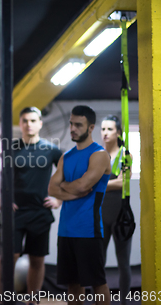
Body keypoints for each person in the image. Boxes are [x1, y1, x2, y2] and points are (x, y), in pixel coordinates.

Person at [0, 107, 62, 303]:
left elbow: (69, 176)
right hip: (14, 214)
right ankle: (1, 300)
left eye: (33, 120)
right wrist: (0, 201)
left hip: (40, 213)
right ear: (20, 124)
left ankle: (33, 300)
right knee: (8, 259)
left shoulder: (52, 150)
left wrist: (59, 200)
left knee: (37, 260)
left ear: (40, 123)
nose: (29, 124)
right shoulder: (9, 149)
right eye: (25, 121)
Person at [48, 105, 111, 305]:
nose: (73, 129)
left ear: (91, 127)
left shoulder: (99, 155)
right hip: (66, 230)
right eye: (71, 124)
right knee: (72, 283)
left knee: (97, 282)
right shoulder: (66, 157)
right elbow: (51, 189)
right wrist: (72, 190)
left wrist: (64, 187)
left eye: (78, 125)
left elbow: (84, 184)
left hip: (88, 230)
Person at [101, 115, 132, 305]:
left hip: (121, 215)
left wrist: (98, 183)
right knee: (99, 263)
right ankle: (102, 301)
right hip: (101, 214)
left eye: (109, 129)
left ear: (118, 132)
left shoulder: (125, 154)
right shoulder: (97, 155)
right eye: (103, 129)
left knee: (123, 263)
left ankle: (124, 303)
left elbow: (123, 181)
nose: (105, 133)